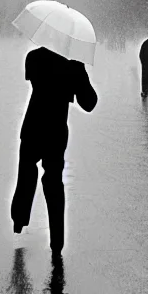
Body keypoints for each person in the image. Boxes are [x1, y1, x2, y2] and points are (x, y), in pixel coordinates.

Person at [11, 46, 98, 255]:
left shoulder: (33, 57)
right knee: (54, 183)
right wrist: (79, 73)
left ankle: (19, 218)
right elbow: (89, 103)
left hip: (33, 127)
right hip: (56, 131)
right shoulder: (74, 65)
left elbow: (35, 80)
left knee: (26, 173)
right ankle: (57, 241)